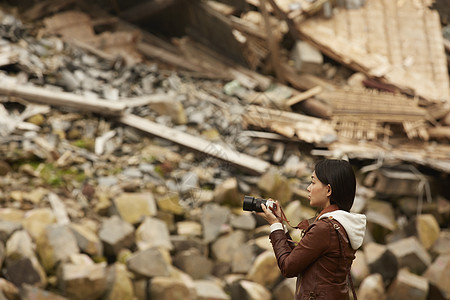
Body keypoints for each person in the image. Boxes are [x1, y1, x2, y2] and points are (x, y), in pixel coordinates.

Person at [257, 159, 366, 300]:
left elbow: (288, 267)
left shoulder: (325, 229)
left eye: (313, 182)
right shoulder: (342, 224)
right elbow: (300, 258)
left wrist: (274, 225)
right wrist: (280, 225)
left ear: (328, 190)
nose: (308, 188)